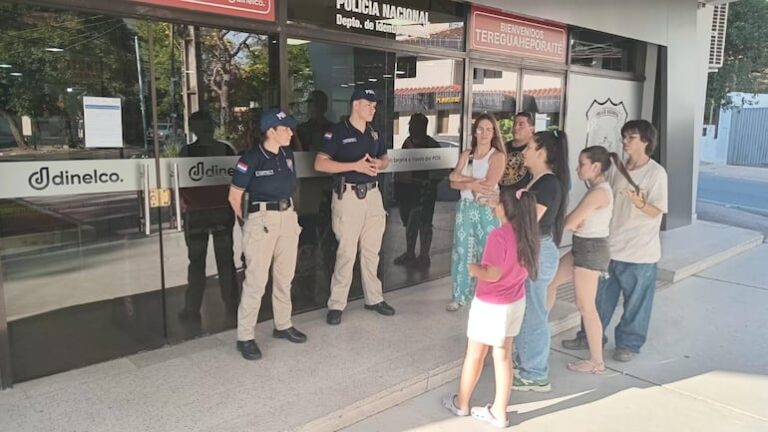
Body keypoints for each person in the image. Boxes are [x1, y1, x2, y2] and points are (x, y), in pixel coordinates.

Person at [562, 120, 668, 363]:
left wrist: (639, 202)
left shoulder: (656, 173)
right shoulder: (617, 168)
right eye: (624, 137)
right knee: (597, 299)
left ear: (646, 141)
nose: (625, 142)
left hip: (640, 252)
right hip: (609, 247)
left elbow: (657, 211)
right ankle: (589, 337)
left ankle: (628, 344)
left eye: (631, 137)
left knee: (636, 304)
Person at [441, 187, 540, 429]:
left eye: (497, 203)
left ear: (505, 208)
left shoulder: (499, 235)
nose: (494, 206)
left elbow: (493, 273)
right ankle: (499, 411)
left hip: (491, 304)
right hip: (515, 302)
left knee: (475, 354)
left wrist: (473, 268)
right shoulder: (527, 234)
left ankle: (461, 403)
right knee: (503, 356)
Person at [546, 146, 638, 373]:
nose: (578, 168)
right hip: (582, 246)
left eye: (582, 164)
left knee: (586, 306)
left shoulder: (599, 192)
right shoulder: (596, 190)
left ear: (596, 167)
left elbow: (568, 222)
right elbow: (571, 222)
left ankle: (597, 361)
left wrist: (573, 222)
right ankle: (539, 329)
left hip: (591, 250)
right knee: (549, 283)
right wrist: (574, 222)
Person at [228, 108, 307, 361]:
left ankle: (283, 324)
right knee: (256, 281)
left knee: (285, 277)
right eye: (285, 129)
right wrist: (248, 224)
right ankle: (245, 336)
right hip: (261, 220)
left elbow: (292, 187)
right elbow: (234, 197)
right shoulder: (251, 158)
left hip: (287, 217)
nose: (291, 133)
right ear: (270, 131)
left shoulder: (287, 154)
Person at [314, 87, 395, 325]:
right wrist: (354, 166)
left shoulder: (374, 133)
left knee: (371, 252)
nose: (373, 109)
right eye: (368, 104)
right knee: (346, 253)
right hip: (348, 196)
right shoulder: (337, 132)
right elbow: (320, 163)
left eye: (374, 106)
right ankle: (337, 304)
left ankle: (374, 298)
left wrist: (380, 163)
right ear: (355, 105)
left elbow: (385, 159)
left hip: (373, 196)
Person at [512, 129, 570, 392]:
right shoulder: (537, 181)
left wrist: (502, 212)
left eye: (529, 147)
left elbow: (527, 220)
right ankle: (525, 361)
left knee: (534, 313)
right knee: (528, 310)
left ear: (542, 152)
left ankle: (535, 373)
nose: (523, 151)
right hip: (532, 250)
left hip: (537, 251)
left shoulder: (548, 184)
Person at [177, 110, 239, 321]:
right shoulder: (226, 149)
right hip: (221, 211)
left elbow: (181, 183)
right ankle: (232, 305)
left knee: (196, 262)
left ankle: (192, 310)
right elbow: (236, 180)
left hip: (197, 213)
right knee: (225, 260)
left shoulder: (187, 152)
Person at [447, 114, 507, 312]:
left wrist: (463, 180)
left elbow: (488, 184)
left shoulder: (497, 156)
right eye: (481, 129)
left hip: (486, 209)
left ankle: (486, 294)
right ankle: (459, 295)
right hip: (465, 207)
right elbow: (452, 182)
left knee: (487, 251)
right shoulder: (467, 154)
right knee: (462, 250)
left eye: (489, 129)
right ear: (475, 132)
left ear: (494, 133)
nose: (484, 133)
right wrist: (472, 183)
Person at [393, 113, 442, 268]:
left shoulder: (432, 145)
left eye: (416, 125)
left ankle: (424, 256)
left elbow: (440, 170)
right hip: (407, 190)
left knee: (425, 222)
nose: (412, 128)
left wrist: (429, 182)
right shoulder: (407, 143)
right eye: (411, 125)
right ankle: (410, 253)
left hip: (425, 190)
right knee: (409, 222)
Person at [499, 112, 534, 191]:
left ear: (531, 129)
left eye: (521, 124)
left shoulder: (534, 150)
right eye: (514, 124)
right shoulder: (503, 147)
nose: (516, 127)